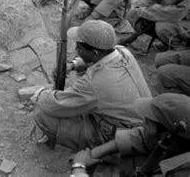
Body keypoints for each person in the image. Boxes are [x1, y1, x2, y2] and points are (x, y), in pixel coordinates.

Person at [31, 20, 151, 151]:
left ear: (94, 53)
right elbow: (101, 59)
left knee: (42, 113)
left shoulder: (95, 82)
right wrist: (73, 65)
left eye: (79, 48)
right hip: (143, 125)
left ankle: (103, 153)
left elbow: (57, 105)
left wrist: (40, 94)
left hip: (122, 138)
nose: (76, 51)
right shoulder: (122, 52)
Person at [71, 93, 190, 176]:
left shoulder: (180, 172)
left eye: (149, 121)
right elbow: (139, 136)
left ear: (167, 134)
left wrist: (78, 167)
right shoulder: (175, 137)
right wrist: (93, 154)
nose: (144, 122)